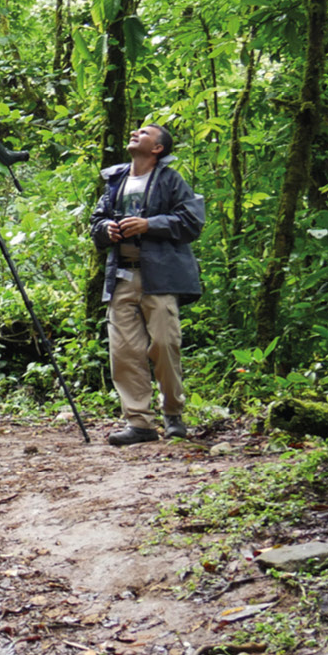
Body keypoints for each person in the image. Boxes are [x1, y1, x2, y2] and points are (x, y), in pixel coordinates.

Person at [90, 123, 204, 446]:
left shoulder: (170, 180)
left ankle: (173, 415)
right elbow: (96, 221)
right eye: (136, 130)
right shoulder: (116, 180)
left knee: (165, 345)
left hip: (160, 277)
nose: (136, 133)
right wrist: (106, 230)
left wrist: (149, 224)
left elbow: (192, 221)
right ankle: (139, 422)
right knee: (124, 352)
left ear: (158, 149)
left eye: (145, 132)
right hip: (121, 277)